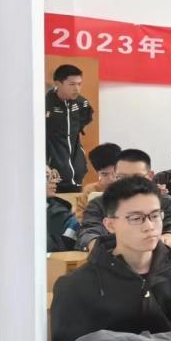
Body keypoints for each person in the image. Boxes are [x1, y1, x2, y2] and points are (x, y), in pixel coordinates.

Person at [51, 176, 171, 341]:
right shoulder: (75, 285)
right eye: (136, 218)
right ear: (110, 225)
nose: (149, 226)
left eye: (154, 216)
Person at [78, 149, 171, 250]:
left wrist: (162, 241)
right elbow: (88, 233)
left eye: (137, 177)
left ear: (150, 175)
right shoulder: (99, 203)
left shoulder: (165, 201)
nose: (129, 184)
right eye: (122, 177)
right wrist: (106, 248)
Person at [45, 63, 94, 192]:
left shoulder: (82, 103)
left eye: (79, 84)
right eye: (72, 84)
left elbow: (86, 118)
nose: (77, 88)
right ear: (58, 83)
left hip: (77, 172)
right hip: (53, 176)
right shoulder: (44, 103)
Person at [74, 142, 121, 218]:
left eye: (115, 173)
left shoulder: (129, 188)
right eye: (104, 174)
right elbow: (79, 216)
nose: (110, 179)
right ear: (97, 172)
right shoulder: (89, 190)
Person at [46, 166, 80, 252]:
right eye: (47, 177)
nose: (54, 181)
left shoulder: (63, 213)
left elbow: (66, 246)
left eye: (52, 176)